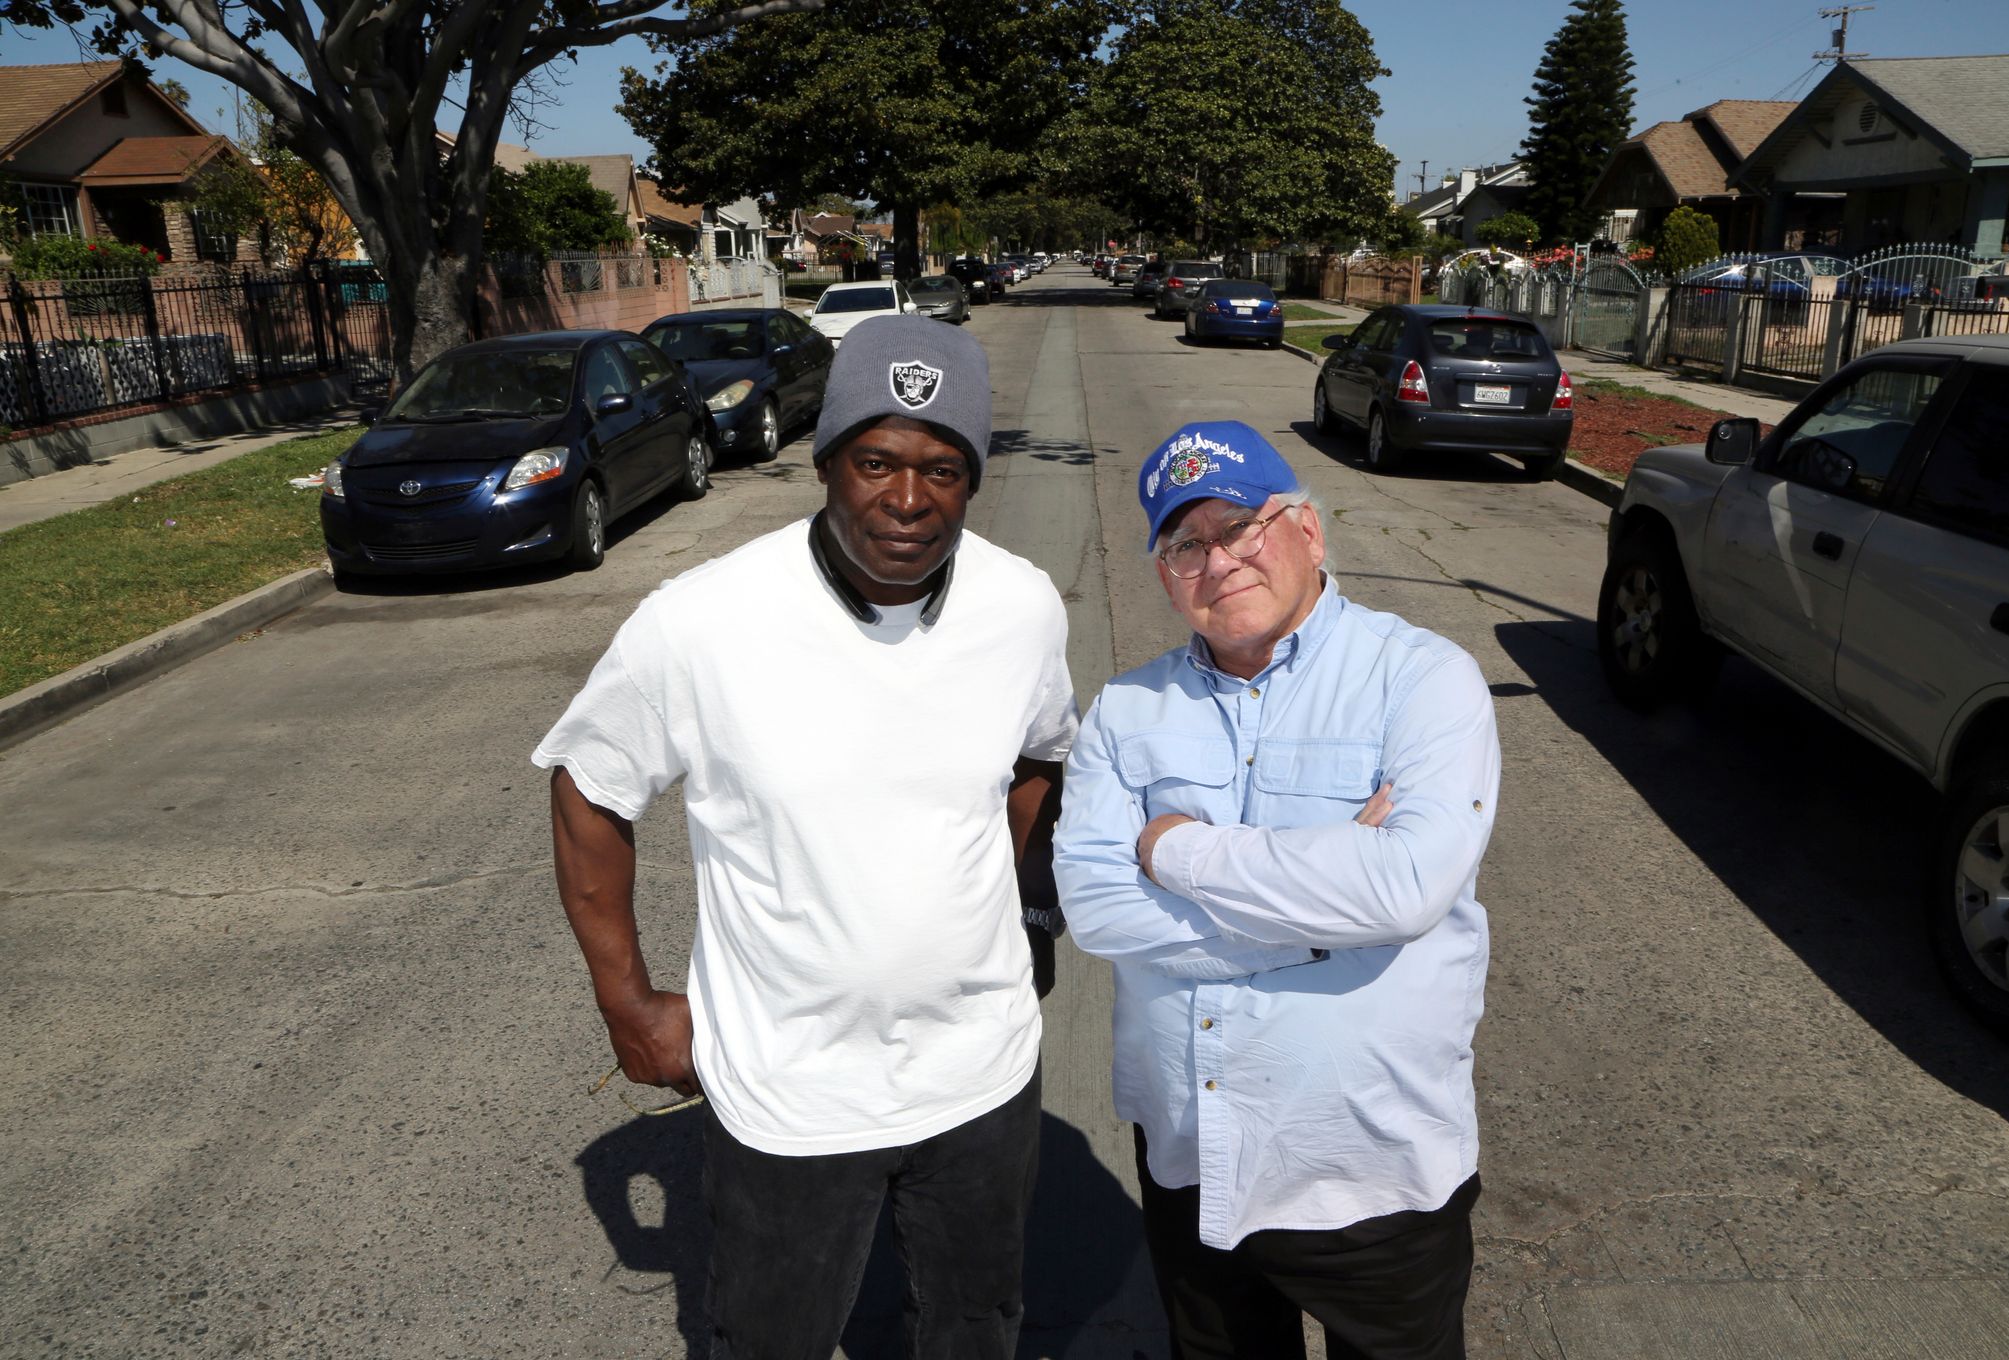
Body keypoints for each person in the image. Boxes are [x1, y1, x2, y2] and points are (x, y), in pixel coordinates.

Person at [534, 315, 1077, 1359]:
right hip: (790, 1093)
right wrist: (629, 1002)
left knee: (977, 1330)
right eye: (876, 461)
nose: (908, 500)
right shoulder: (701, 622)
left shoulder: (1020, 607)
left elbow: (1039, 758)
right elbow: (590, 790)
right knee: (771, 1340)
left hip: (982, 1081)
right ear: (825, 460)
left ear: (973, 479)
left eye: (943, 469)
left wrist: (1014, 909)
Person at [1052, 421, 1500, 1360]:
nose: (1218, 560)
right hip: (1195, 1156)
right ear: (1166, 572)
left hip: (1374, 1167)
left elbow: (1411, 885)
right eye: (1185, 544)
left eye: (1241, 526)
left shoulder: (1421, 678)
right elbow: (1094, 907)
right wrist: (1339, 902)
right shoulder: (1126, 712)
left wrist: (1175, 852)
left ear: (1307, 531)